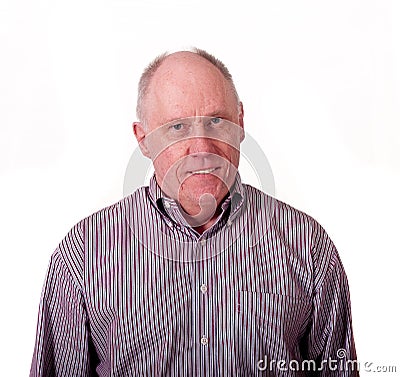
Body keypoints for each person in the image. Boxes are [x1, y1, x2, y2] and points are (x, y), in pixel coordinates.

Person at [30, 48, 358, 376]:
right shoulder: (83, 253)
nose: (202, 148)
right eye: (177, 127)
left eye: (217, 121)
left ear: (240, 122)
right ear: (142, 139)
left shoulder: (308, 245)